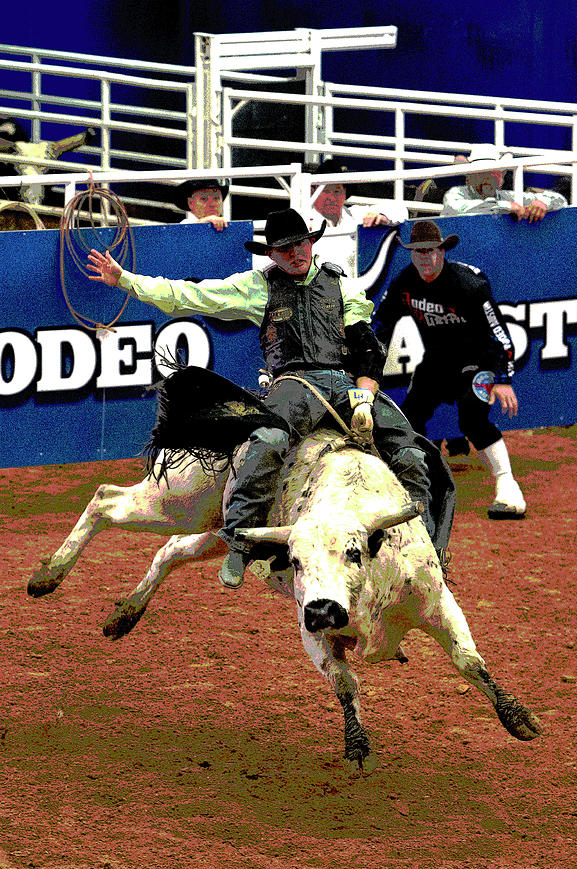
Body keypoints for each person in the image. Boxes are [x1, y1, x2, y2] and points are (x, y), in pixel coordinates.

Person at [87, 208, 434, 589]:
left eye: (300, 244)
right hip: (293, 385)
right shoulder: (257, 286)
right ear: (271, 254)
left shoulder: (342, 284)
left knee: (411, 449)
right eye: (284, 249)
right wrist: (126, 280)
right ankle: (239, 540)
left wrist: (366, 394)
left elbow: (365, 342)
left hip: (347, 384)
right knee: (267, 440)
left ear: (311, 242)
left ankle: (426, 545)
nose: (295, 254)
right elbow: (191, 296)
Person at [373, 220, 526, 520]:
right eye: (417, 252)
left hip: (476, 363)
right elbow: (380, 324)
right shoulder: (405, 282)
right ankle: (417, 487)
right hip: (435, 362)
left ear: (442, 252)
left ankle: (508, 486)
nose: (424, 258)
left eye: (430, 251)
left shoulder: (469, 285)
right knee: (409, 420)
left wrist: (504, 380)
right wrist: (367, 359)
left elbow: (500, 335)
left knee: (472, 419)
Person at [306, 158, 409, 277]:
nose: (331, 197)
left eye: (336, 191)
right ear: (313, 192)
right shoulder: (304, 222)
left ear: (344, 193)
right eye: (326, 191)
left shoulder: (355, 215)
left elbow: (400, 209)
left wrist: (381, 216)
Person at [441, 144, 567, 221]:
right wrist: (507, 207)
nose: (488, 178)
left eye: (493, 173)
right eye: (481, 173)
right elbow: (458, 208)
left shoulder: (509, 196)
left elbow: (559, 199)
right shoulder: (455, 194)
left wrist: (542, 203)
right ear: (469, 177)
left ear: (501, 178)